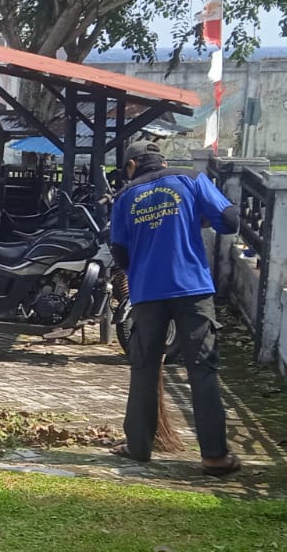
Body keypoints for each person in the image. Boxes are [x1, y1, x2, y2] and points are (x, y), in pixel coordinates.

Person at [109, 140, 242, 476]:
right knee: (202, 368)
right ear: (163, 163)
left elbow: (120, 253)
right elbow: (229, 219)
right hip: (192, 288)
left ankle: (138, 446)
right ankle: (214, 456)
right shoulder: (191, 179)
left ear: (132, 166)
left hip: (147, 292)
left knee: (144, 368)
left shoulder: (125, 196)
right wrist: (197, 219)